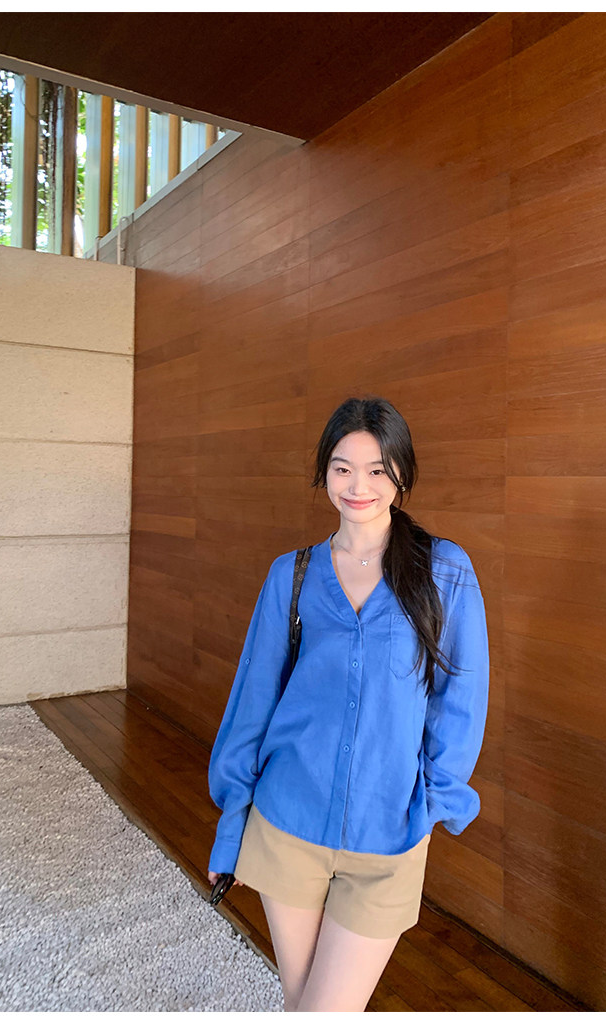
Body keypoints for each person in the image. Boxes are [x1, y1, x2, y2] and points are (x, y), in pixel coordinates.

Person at [206, 395, 490, 1012]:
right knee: (302, 1005)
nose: (359, 486)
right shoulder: (291, 575)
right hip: (287, 821)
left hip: (387, 836)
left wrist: (431, 803)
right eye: (342, 468)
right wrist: (231, 829)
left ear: (402, 474)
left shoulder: (445, 572)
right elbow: (252, 706)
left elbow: (460, 702)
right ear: (324, 474)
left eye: (377, 469)